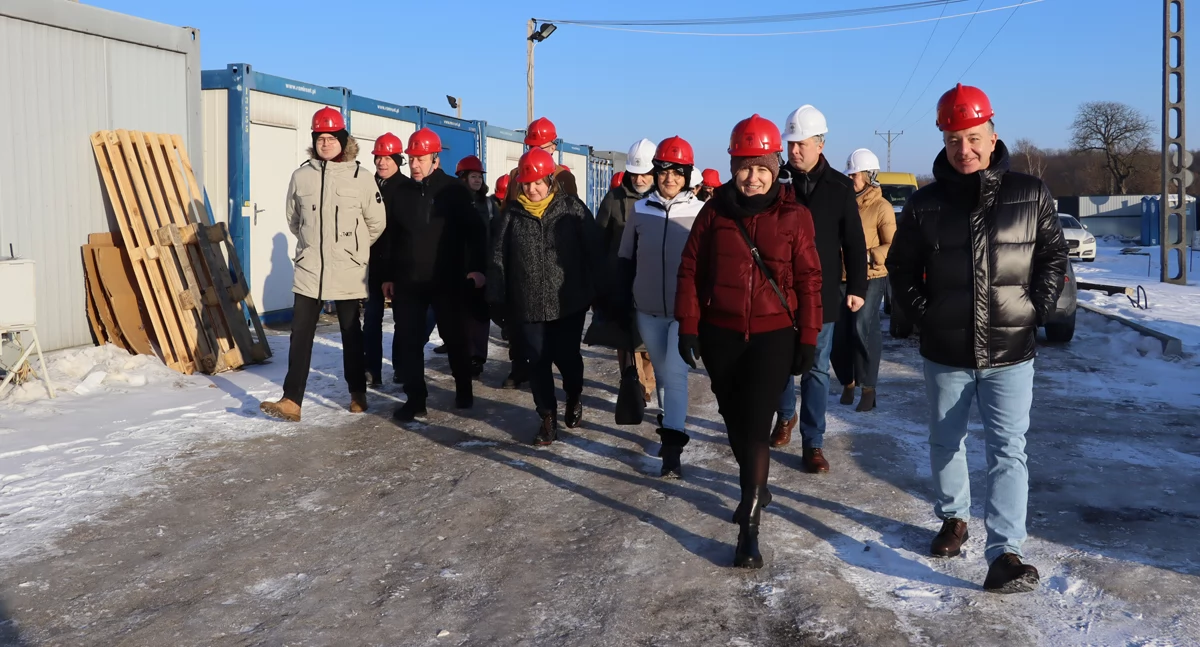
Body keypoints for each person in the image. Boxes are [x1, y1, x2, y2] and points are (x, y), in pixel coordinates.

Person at [886, 84, 1067, 593]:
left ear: (991, 135)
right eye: (952, 140)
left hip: (1011, 351)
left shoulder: (1031, 193)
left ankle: (1005, 552)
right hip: (945, 351)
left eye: (972, 138)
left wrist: (1035, 309)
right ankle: (954, 519)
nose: (963, 150)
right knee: (947, 441)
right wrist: (926, 315)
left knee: (1009, 449)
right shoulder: (923, 204)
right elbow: (900, 268)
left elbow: (1053, 258)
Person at [675, 115, 822, 568]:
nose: (753, 177)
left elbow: (810, 279)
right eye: (744, 167)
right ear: (733, 166)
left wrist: (810, 337)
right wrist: (688, 326)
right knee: (734, 421)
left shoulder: (795, 215)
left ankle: (749, 524)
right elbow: (690, 271)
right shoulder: (714, 212)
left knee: (756, 424)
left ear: (776, 165)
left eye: (761, 167)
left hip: (773, 335)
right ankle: (755, 485)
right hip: (721, 336)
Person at [260, 107, 386, 422]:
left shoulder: (361, 177)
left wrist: (354, 248)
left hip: (347, 268)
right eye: (321, 138)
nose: (326, 144)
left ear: (344, 141)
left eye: (332, 138)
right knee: (300, 332)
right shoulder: (301, 177)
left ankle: (357, 393)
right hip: (310, 269)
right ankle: (292, 400)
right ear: (314, 141)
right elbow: (294, 220)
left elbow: (376, 222)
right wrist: (312, 245)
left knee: (349, 332)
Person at [768, 104, 868, 475]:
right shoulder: (776, 183)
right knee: (780, 364)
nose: (794, 151)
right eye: (790, 143)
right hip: (778, 293)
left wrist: (856, 285)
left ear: (820, 144)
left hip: (822, 295)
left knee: (816, 370)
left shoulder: (840, 187)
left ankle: (813, 443)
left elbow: (854, 242)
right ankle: (784, 416)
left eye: (802, 144)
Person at [488, 148, 602, 445]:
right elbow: (498, 258)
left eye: (538, 182)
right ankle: (547, 418)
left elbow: (594, 251)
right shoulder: (511, 215)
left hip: (568, 303)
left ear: (550, 181)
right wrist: (497, 298)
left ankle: (574, 393)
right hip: (527, 305)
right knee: (536, 361)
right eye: (527, 184)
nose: (533, 189)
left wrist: (598, 290)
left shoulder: (572, 209)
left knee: (567, 358)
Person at [383, 128, 487, 422]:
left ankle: (464, 388)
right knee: (409, 340)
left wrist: (477, 269)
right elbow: (392, 237)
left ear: (435, 159)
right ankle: (416, 399)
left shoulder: (454, 190)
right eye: (411, 158)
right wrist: (388, 275)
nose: (414, 164)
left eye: (420, 158)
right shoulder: (401, 192)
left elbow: (477, 234)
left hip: (447, 279)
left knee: (454, 338)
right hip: (408, 281)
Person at [616, 136, 704, 478]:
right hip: (647, 309)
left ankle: (672, 449)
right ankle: (670, 425)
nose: (670, 178)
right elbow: (625, 258)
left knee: (675, 376)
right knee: (664, 374)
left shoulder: (699, 213)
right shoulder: (639, 210)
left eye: (677, 172)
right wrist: (621, 300)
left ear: (686, 175)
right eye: (664, 170)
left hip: (684, 312)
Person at [831, 148, 895, 412]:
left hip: (871, 277)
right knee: (837, 335)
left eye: (855, 174)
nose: (851, 179)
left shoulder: (882, 207)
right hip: (842, 277)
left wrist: (868, 257)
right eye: (849, 174)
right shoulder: (842, 204)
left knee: (862, 329)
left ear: (869, 176)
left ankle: (869, 388)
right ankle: (848, 380)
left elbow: (893, 244)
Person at [594, 138, 658, 403]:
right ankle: (631, 381)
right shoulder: (613, 199)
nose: (640, 179)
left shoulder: (663, 200)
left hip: (652, 283)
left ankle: (648, 381)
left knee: (649, 341)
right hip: (619, 281)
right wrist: (600, 282)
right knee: (625, 337)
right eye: (635, 173)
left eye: (645, 174)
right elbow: (599, 240)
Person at [362, 132, 411, 387]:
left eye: (387, 158)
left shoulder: (405, 188)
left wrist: (394, 272)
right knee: (371, 319)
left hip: (397, 266)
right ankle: (371, 369)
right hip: (372, 265)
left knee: (401, 321)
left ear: (397, 159)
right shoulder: (369, 184)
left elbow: (402, 233)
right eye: (378, 158)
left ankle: (401, 368)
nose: (382, 163)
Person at [455, 155, 493, 378]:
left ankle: (477, 358)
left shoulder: (488, 205)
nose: (477, 180)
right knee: (461, 316)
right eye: (473, 176)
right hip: (460, 267)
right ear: (463, 178)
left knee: (480, 315)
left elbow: (497, 235)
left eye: (479, 176)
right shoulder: (454, 203)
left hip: (483, 267)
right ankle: (463, 355)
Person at [507, 116, 578, 200]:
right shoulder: (515, 175)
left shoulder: (564, 178)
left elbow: (574, 210)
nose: (534, 151)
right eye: (531, 147)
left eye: (540, 148)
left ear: (553, 148)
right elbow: (506, 209)